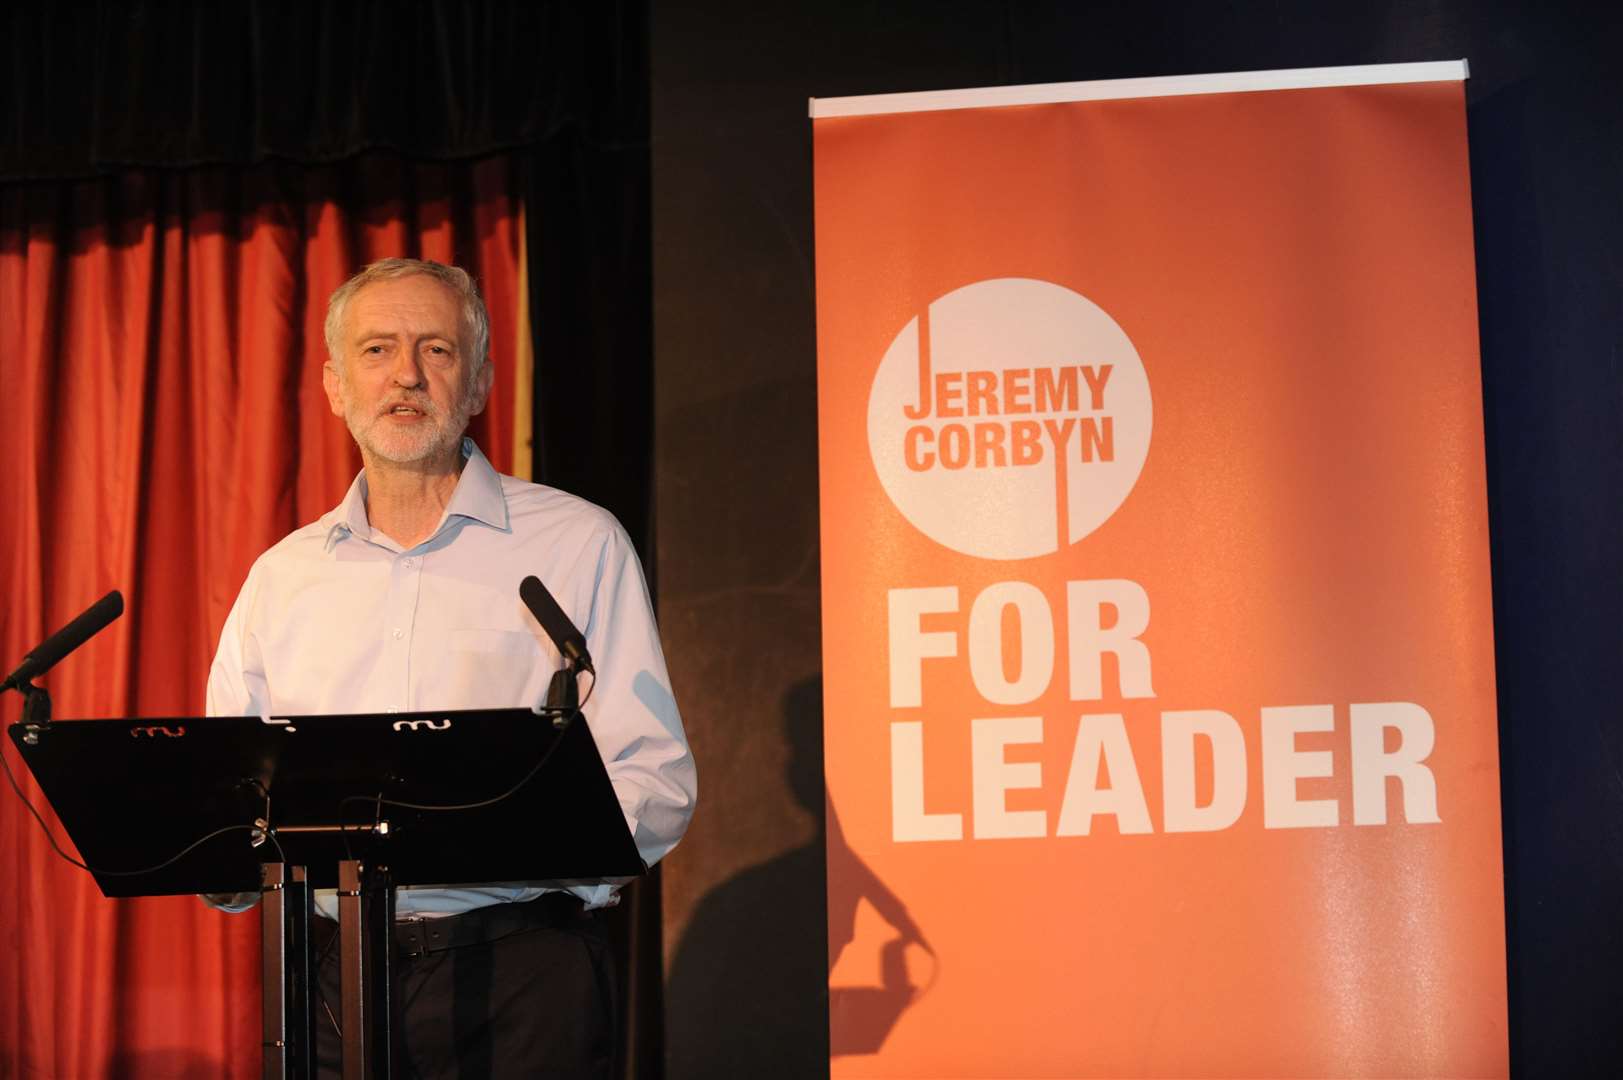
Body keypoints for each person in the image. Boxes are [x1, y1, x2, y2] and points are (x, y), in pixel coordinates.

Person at [205, 258, 695, 1077]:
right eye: (376, 351)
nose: (405, 374)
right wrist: (216, 856)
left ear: (478, 382)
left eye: (435, 349)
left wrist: (519, 844)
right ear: (333, 385)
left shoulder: (576, 545)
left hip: (523, 973)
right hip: (328, 983)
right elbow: (227, 795)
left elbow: (653, 779)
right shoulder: (282, 578)